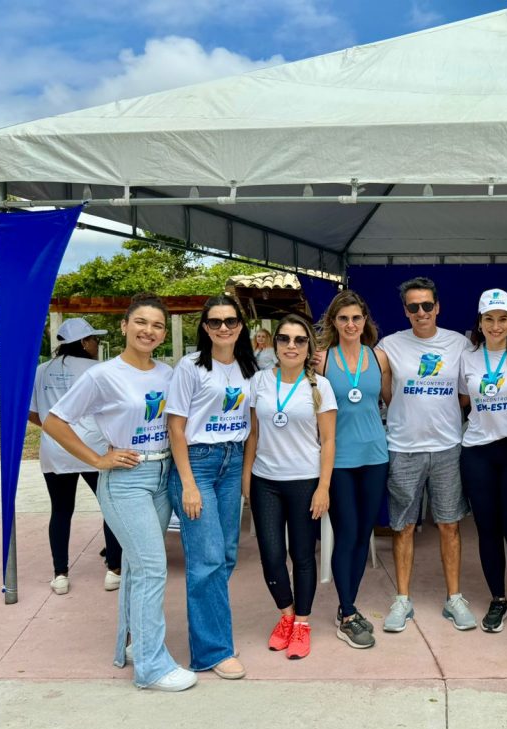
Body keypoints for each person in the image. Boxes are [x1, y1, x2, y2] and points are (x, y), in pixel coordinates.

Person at [44, 293, 196, 692]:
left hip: (162, 474)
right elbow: (55, 421)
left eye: (158, 325)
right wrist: (96, 459)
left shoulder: (168, 373)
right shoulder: (102, 375)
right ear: (125, 326)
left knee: (134, 567)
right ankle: (151, 666)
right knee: (151, 567)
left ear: (164, 333)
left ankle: (129, 646)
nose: (149, 331)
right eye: (141, 322)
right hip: (126, 479)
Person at [375, 277, 476, 633]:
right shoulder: (389, 345)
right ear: (405, 311)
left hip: (448, 447)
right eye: (414, 307)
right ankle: (402, 599)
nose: (421, 312)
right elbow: (385, 393)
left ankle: (454, 598)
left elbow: (466, 395)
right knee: (402, 527)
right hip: (403, 448)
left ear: (438, 307)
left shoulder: (459, 344)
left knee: (450, 524)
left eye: (427, 306)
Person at [166, 295, 257, 680]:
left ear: (240, 326)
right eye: (215, 321)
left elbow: (253, 423)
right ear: (205, 327)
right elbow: (175, 426)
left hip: (232, 461)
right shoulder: (190, 367)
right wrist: (187, 483)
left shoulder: (249, 367)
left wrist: (246, 477)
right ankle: (212, 650)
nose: (224, 327)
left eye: (231, 321)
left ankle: (212, 629)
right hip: (198, 465)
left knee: (227, 556)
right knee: (206, 561)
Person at [243, 314, 337, 660]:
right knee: (270, 555)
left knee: (301, 555)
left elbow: (328, 441)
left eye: (300, 340)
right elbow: (253, 434)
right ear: (275, 344)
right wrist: (246, 479)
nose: (292, 346)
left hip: (305, 481)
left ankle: (302, 622)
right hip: (266, 481)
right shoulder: (259, 382)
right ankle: (285, 614)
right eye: (285, 339)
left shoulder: (320, 386)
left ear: (308, 346)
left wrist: (323, 487)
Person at [315, 290, 389, 649]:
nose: (350, 324)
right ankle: (346, 613)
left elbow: (387, 401)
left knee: (363, 533)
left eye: (356, 318)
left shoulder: (379, 357)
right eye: (343, 318)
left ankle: (350, 604)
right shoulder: (322, 361)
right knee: (346, 533)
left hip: (376, 455)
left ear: (365, 321)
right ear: (333, 322)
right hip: (340, 459)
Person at [459, 289, 507, 634]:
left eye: (502, 319)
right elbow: (463, 399)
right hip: (478, 452)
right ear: (480, 322)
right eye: (489, 319)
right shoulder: (468, 357)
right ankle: (498, 599)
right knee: (487, 531)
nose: (495, 325)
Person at [29, 318, 123, 595]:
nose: (97, 343)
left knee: (60, 511)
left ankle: (60, 574)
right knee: (110, 508)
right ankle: (114, 569)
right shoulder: (99, 370)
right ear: (83, 342)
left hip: (55, 451)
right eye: (94, 339)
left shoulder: (41, 371)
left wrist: (55, 431)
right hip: (94, 450)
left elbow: (31, 412)